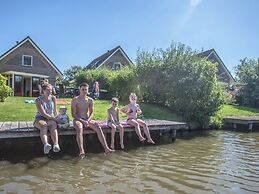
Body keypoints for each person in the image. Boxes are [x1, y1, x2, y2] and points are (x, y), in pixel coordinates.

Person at [71, 83, 114, 157]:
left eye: (86, 90)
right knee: (79, 128)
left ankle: (106, 148)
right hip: (78, 119)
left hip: (87, 119)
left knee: (98, 126)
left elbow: (92, 113)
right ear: (80, 90)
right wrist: (82, 121)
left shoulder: (90, 100)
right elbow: (73, 114)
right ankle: (81, 150)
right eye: (83, 89)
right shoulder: (75, 100)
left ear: (88, 90)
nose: (84, 91)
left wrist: (88, 120)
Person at [34, 83, 61, 154]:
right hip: (40, 118)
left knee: (54, 125)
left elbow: (55, 110)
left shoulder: (53, 98)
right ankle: (46, 145)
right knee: (43, 125)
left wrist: (59, 117)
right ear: (43, 90)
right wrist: (54, 119)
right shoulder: (38, 100)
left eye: (51, 90)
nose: (50, 92)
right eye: (48, 90)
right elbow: (43, 114)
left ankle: (56, 145)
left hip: (51, 118)